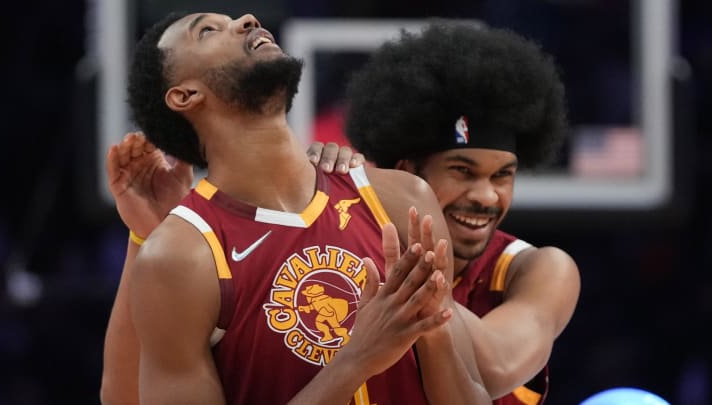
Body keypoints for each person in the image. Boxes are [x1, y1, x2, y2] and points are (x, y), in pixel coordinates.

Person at [100, 11, 489, 405]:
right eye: (208, 30)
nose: (247, 20)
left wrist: (433, 330)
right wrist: (357, 359)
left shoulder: (404, 199)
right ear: (185, 95)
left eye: (238, 18)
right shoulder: (182, 254)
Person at [336, 21, 581, 405]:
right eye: (462, 171)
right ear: (407, 174)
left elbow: (494, 368)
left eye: (503, 176)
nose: (486, 196)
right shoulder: (349, 253)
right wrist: (315, 183)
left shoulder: (542, 269)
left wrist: (357, 182)